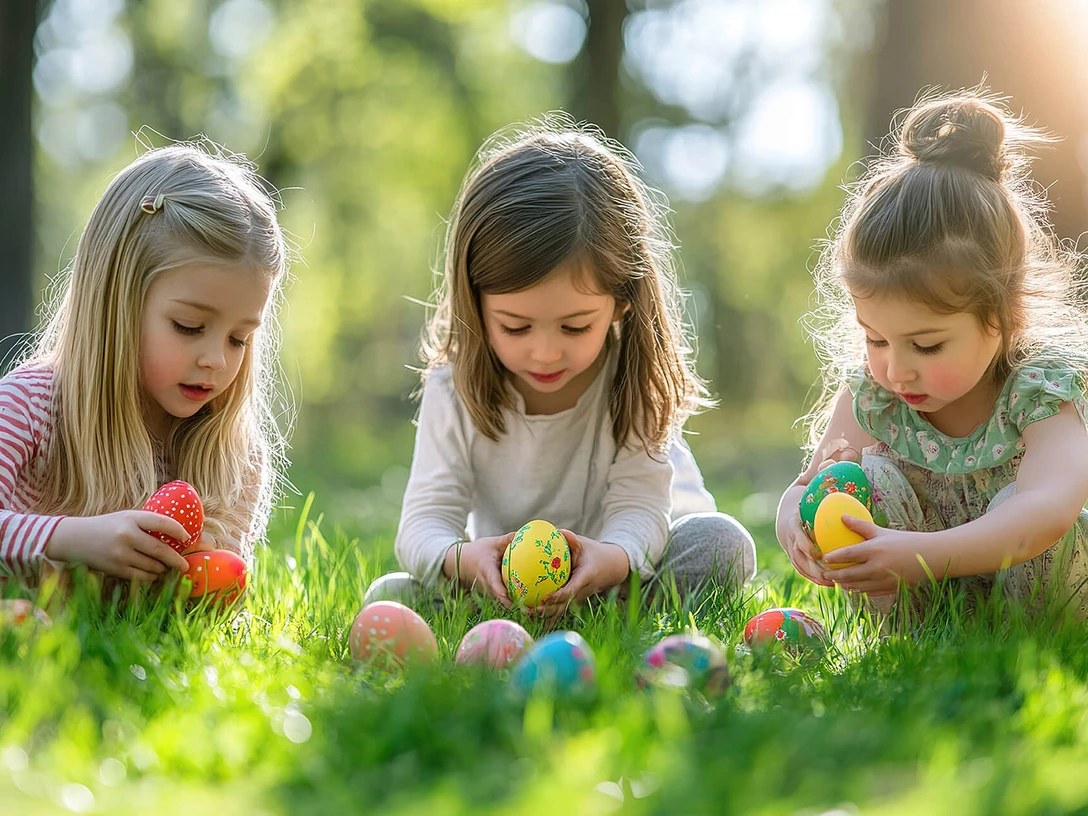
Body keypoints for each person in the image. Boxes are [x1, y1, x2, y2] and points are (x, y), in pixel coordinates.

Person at [389, 119, 757, 614]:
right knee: (391, 595)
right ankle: (526, 621)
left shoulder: (632, 381)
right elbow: (424, 522)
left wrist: (612, 558)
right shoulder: (453, 389)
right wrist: (465, 558)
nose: (544, 353)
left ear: (622, 301)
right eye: (516, 328)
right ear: (475, 305)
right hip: (512, 587)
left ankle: (602, 619)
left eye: (575, 327)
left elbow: (640, 509)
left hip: (626, 577)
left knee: (720, 543)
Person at [776, 90, 1088, 616]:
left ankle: (1023, 648)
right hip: (920, 595)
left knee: (1036, 518)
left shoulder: (1040, 390)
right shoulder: (873, 395)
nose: (895, 369)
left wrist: (924, 556)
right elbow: (809, 483)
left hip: (1035, 598)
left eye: (927, 344)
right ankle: (913, 637)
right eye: (875, 339)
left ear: (1002, 315)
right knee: (863, 483)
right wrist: (793, 517)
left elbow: (1050, 509)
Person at [0, 141, 290, 584]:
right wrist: (71, 538)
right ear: (115, 302)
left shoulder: (232, 454)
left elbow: (213, 600)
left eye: (239, 338)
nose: (215, 359)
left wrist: (195, 580)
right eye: (189, 326)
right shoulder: (31, 407)